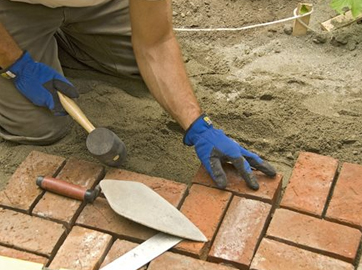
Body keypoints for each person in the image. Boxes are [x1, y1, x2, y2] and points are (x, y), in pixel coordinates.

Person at [0, 0, 276, 190]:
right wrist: (16, 64)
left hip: (96, 5)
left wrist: (199, 126)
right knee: (41, 129)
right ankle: (27, 47)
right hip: (15, 6)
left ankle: (57, 45)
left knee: (138, 70)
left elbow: (155, 43)